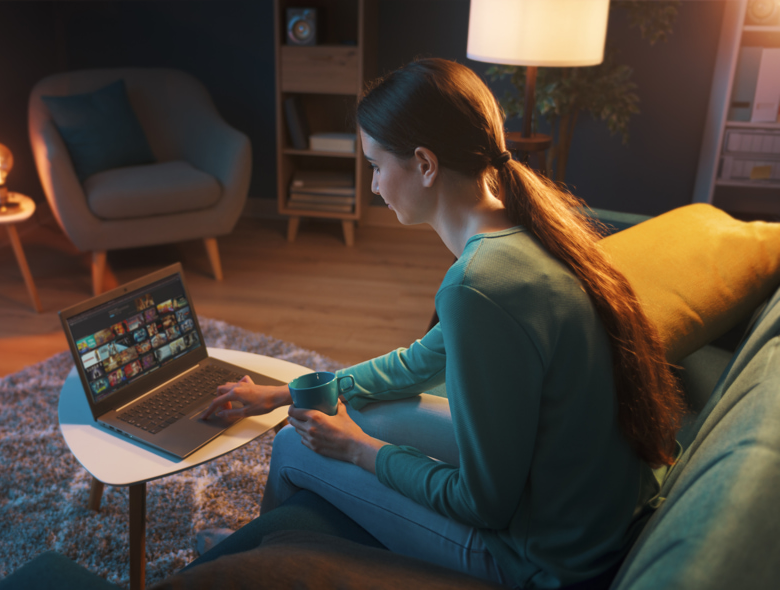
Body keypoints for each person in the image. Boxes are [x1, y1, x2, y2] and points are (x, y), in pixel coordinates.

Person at [201, 58, 685, 589]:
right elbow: (416, 363)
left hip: (542, 559)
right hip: (582, 511)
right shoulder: (524, 233)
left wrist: (359, 450)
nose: (374, 186)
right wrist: (280, 395)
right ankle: (273, 541)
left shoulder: (477, 286)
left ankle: (248, 564)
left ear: (425, 164)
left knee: (296, 446)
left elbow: (483, 504)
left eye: (376, 166)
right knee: (360, 405)